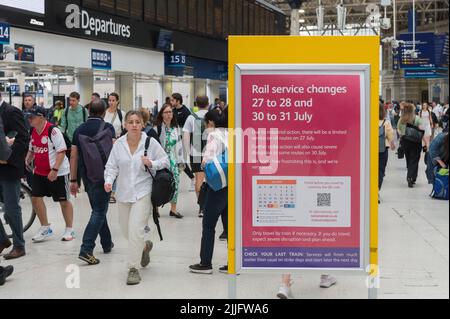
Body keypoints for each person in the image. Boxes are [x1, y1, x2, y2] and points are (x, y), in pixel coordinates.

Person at [104, 111, 169, 285]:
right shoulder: (119, 145)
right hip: (123, 193)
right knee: (126, 231)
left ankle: (133, 268)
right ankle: (145, 247)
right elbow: (111, 167)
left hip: (143, 192)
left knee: (135, 229)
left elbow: (166, 161)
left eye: (137, 122)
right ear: (125, 125)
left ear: (142, 124)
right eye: (130, 122)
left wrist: (152, 163)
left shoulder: (150, 142)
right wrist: (109, 181)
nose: (134, 125)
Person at [70, 99, 116, 265]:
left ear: (88, 111)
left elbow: (74, 156)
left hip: (87, 177)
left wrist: (73, 180)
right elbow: (115, 152)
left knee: (98, 208)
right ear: (104, 112)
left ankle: (106, 242)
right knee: (99, 211)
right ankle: (86, 248)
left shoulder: (78, 130)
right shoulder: (108, 128)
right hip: (106, 176)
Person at [25, 106, 74, 242]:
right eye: (29, 117)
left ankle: (70, 229)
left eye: (32, 117)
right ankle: (45, 227)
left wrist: (55, 170)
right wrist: (27, 159)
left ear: (41, 117)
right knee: (35, 198)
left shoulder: (53, 131)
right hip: (39, 172)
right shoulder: (33, 130)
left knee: (63, 201)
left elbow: (61, 151)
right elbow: (32, 148)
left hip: (58, 172)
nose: (29, 119)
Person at [189, 108, 228, 274]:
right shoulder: (232, 134)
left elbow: (206, 161)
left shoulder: (214, 136)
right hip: (231, 185)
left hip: (217, 187)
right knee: (229, 226)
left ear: (211, 123)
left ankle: (205, 263)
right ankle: (232, 262)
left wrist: (204, 164)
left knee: (208, 225)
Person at [0, 94, 30, 260]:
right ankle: (2, 240)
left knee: (11, 208)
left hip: (9, 168)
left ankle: (19, 245)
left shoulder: (11, 112)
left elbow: (23, 139)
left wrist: (7, 158)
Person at [155, 103, 182, 219]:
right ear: (161, 114)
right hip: (159, 158)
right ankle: (155, 208)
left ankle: (173, 209)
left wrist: (181, 161)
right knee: (158, 183)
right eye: (166, 112)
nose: (169, 114)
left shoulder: (176, 128)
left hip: (172, 158)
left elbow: (179, 146)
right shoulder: (157, 127)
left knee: (175, 182)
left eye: (170, 112)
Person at [183, 95, 209, 217]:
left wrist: (189, 151)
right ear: (208, 103)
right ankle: (210, 205)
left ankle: (201, 207)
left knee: (199, 179)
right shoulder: (213, 115)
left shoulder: (191, 117)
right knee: (211, 179)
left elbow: (186, 136)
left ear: (196, 104)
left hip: (196, 153)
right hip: (211, 153)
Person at [397, 102, 425, 188]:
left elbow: (398, 129)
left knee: (409, 159)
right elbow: (422, 130)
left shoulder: (401, 119)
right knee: (414, 160)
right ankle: (411, 177)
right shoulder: (417, 119)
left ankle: (411, 176)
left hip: (405, 141)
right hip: (416, 142)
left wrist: (402, 135)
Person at [170, 93, 195, 188]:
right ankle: (176, 179)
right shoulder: (172, 111)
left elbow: (190, 128)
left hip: (183, 139)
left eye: (173, 100)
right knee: (176, 160)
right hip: (175, 138)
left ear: (178, 100)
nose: (171, 102)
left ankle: (193, 178)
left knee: (181, 160)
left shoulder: (186, 111)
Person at [379, 103, 396, 193]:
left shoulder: (368, 120)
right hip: (383, 149)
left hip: (369, 150)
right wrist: (392, 145)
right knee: (381, 170)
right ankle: (376, 190)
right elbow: (390, 135)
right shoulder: (386, 122)